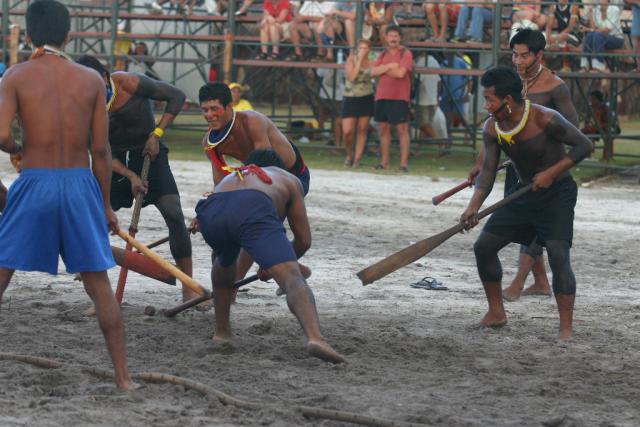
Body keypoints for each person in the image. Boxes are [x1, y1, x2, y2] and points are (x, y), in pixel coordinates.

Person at [0, 0, 135, 389]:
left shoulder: (16, 75)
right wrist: (105, 204)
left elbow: (1, 133)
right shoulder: (92, 80)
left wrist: (15, 149)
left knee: (1, 275)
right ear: (68, 34)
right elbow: (102, 151)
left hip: (36, 181)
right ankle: (123, 379)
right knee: (99, 287)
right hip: (79, 184)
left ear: (27, 36)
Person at [460, 66, 592, 341]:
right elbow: (486, 175)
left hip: (558, 194)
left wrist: (551, 173)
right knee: (484, 247)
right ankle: (496, 313)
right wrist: (473, 207)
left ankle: (565, 329)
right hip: (524, 194)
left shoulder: (545, 118)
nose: (486, 105)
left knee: (558, 254)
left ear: (507, 100)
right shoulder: (492, 127)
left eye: (490, 99)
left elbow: (584, 146)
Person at [194, 149, 344, 363]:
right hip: (252, 205)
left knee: (224, 258)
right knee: (292, 278)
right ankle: (316, 338)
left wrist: (269, 263)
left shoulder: (233, 176)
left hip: (210, 209)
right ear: (279, 167)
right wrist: (278, 267)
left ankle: (222, 333)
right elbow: (303, 240)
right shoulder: (288, 178)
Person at [75, 55, 196, 303]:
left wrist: (157, 133)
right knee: (96, 220)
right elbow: (99, 152)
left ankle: (189, 287)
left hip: (149, 150)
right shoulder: (80, 106)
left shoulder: (130, 83)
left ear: (106, 77)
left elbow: (178, 96)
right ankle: (102, 295)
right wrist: (130, 176)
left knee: (173, 212)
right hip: (114, 161)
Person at [470, 29, 579, 302]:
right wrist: (482, 162)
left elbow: (573, 131)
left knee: (542, 228)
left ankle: (519, 282)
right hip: (516, 170)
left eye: (524, 55)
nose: (518, 61)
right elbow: (496, 127)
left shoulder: (555, 86)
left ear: (538, 55)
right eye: (514, 54)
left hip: (547, 174)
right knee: (521, 227)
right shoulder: (509, 84)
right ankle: (540, 281)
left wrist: (550, 167)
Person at [198, 82, 310, 284]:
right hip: (257, 181)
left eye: (214, 108)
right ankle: (287, 268)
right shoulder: (210, 142)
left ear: (229, 106)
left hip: (289, 177)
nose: (209, 115)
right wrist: (210, 209)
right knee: (240, 225)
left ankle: (236, 284)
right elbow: (221, 181)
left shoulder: (252, 121)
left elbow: (267, 168)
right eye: (205, 110)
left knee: (255, 228)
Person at [370, 25, 413, 172]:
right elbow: (373, 71)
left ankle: (403, 164)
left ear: (400, 37)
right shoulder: (382, 54)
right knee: (383, 129)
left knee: (402, 129)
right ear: (386, 38)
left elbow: (401, 73)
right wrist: (390, 66)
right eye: (390, 36)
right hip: (382, 96)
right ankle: (384, 162)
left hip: (400, 97)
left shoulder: (405, 53)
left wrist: (384, 69)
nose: (393, 38)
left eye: (395, 36)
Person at [342, 39, 375, 168]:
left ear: (369, 50)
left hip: (366, 96)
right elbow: (352, 77)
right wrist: (359, 60)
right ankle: (349, 154)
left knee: (362, 129)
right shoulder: (351, 60)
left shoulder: (372, 61)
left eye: (365, 48)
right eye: (361, 48)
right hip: (350, 97)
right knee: (348, 131)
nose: (363, 50)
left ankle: (357, 159)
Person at [414, 52, 449, 154]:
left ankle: (441, 142)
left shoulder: (419, 62)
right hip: (433, 98)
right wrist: (437, 97)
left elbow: (416, 82)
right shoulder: (434, 61)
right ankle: (417, 149)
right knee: (426, 125)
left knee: (423, 124)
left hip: (422, 99)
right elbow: (439, 81)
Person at [579, 0, 624, 72]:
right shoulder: (597, 10)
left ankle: (598, 67)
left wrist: (589, 29)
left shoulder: (614, 9)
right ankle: (584, 65)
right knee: (590, 34)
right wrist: (591, 13)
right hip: (601, 38)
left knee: (596, 35)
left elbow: (607, 30)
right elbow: (593, 28)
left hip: (616, 39)